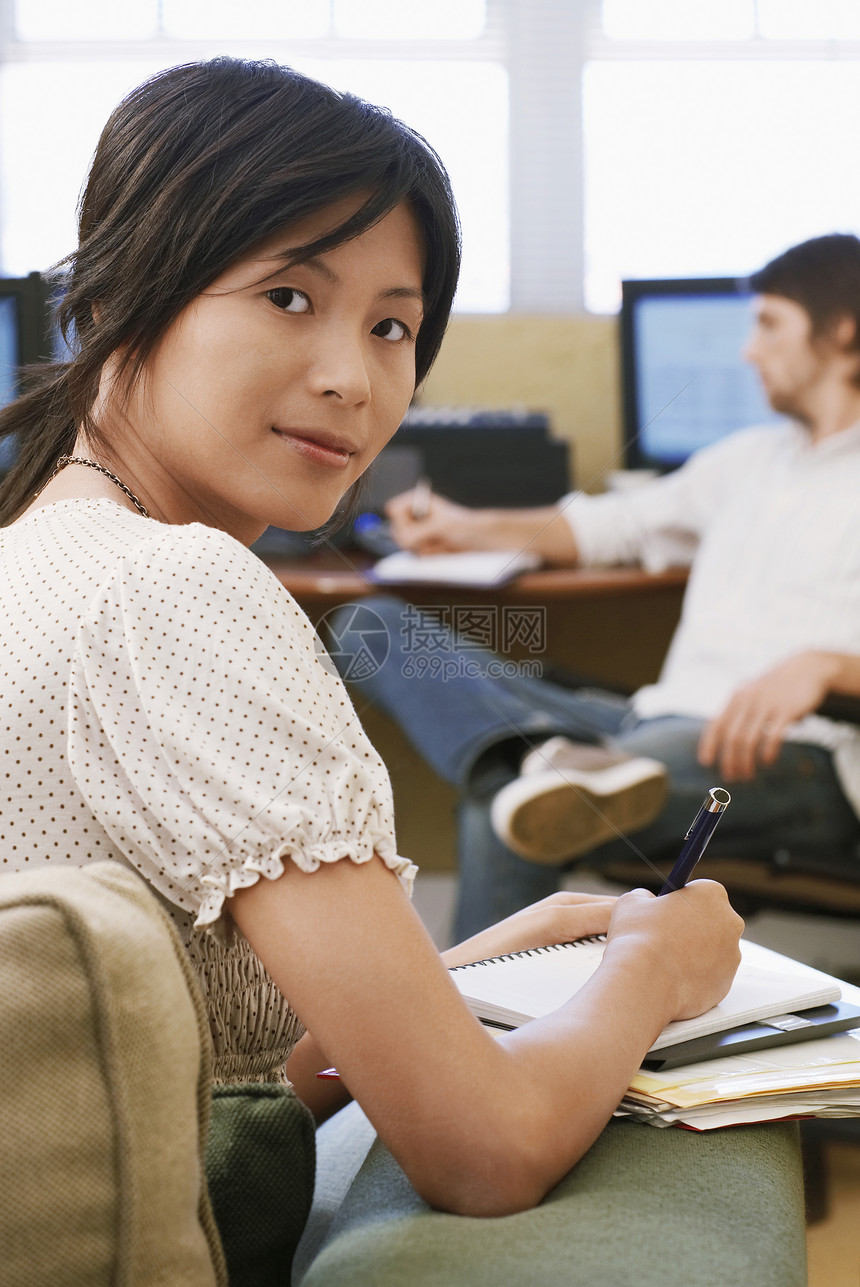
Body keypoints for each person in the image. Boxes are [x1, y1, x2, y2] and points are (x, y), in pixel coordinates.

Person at [332, 233, 860, 943]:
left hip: (793, 753)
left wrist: (827, 664)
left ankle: (484, 1034)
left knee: (507, 799)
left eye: (769, 324)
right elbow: (608, 527)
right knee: (369, 625)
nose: (749, 351)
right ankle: (546, 757)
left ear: (844, 333)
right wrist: (463, 525)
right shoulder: (748, 461)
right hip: (643, 726)